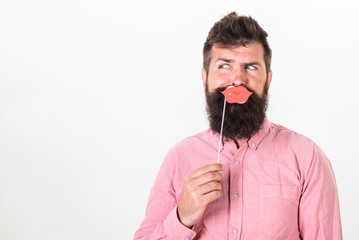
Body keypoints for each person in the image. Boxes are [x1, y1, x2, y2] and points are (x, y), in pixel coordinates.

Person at [134, 12, 342, 240]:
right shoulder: (178, 158)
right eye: (224, 66)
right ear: (205, 79)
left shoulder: (307, 157)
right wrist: (182, 217)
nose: (238, 79)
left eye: (251, 67)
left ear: (268, 80)